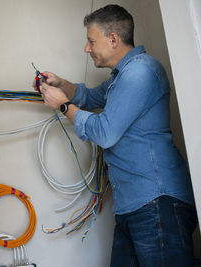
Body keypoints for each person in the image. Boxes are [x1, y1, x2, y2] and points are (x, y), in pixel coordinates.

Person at [34, 4, 198, 267]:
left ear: (113, 39)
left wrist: (64, 106)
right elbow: (90, 97)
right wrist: (60, 84)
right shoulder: (121, 77)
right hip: (133, 206)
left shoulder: (140, 72)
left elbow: (105, 132)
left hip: (157, 202)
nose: (87, 49)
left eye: (91, 41)